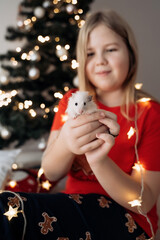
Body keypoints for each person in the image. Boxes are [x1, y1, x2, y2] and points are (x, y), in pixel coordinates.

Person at [0, 9, 160, 240]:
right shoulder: (70, 101)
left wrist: (98, 160)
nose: (100, 61)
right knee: (11, 209)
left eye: (111, 50)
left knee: (8, 211)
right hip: (70, 208)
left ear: (131, 53)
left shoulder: (149, 112)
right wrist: (65, 142)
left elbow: (144, 202)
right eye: (90, 53)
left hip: (128, 220)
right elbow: (49, 174)